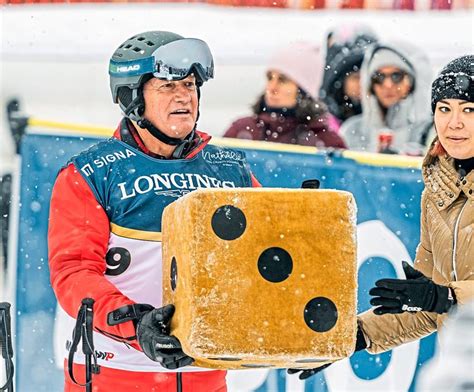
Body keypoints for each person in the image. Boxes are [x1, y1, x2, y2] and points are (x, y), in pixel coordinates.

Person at [48, 30, 260, 391]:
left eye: (191, 85)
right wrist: (137, 326)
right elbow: (74, 273)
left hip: (203, 375)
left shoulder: (230, 170)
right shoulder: (91, 173)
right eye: (167, 86)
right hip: (112, 376)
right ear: (132, 97)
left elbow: (265, 260)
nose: (184, 97)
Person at [289, 54, 473, 380]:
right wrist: (352, 336)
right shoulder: (439, 189)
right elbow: (429, 310)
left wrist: (444, 296)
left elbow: (442, 298)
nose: (453, 123)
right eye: (444, 109)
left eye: (468, 110)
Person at [223, 42, 346, 149]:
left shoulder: (327, 142)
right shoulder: (241, 130)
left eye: (282, 80)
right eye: (270, 77)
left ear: (304, 90)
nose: (271, 87)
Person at [340, 41, 433, 155]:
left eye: (396, 76)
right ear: (370, 85)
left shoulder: (430, 131)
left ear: (412, 82)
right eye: (379, 77)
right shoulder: (352, 131)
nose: (388, 85)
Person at [320, 24, 378, 124]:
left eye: (369, 76)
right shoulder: (326, 121)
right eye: (357, 77)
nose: (363, 83)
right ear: (341, 81)